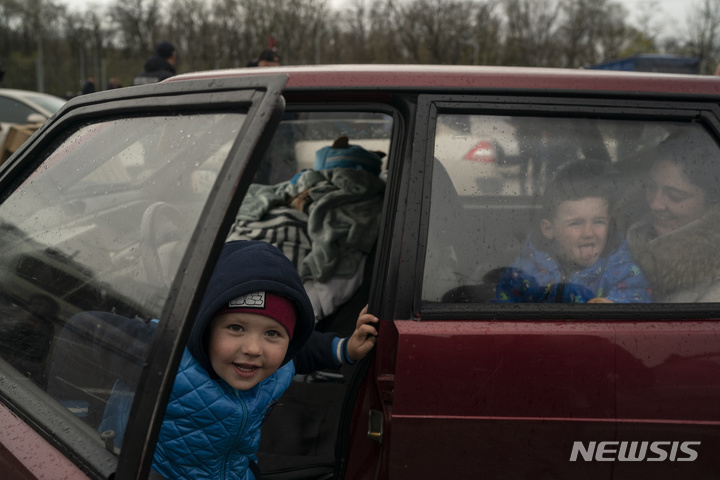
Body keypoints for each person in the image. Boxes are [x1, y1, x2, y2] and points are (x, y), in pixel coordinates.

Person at [150, 240, 378, 479]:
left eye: (272, 333)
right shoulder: (170, 354)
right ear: (206, 326)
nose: (253, 348)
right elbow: (114, 333)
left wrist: (347, 348)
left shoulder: (281, 363)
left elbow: (307, 349)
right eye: (236, 328)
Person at [494, 159, 652, 304]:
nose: (588, 232)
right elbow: (502, 316)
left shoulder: (620, 267)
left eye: (598, 222)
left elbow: (638, 297)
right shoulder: (525, 270)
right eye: (576, 224)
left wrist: (613, 306)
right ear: (549, 229)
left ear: (609, 224)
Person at [627, 128, 720, 302]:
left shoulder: (714, 290)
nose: (655, 204)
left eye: (675, 196)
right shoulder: (623, 235)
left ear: (711, 201)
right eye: (651, 186)